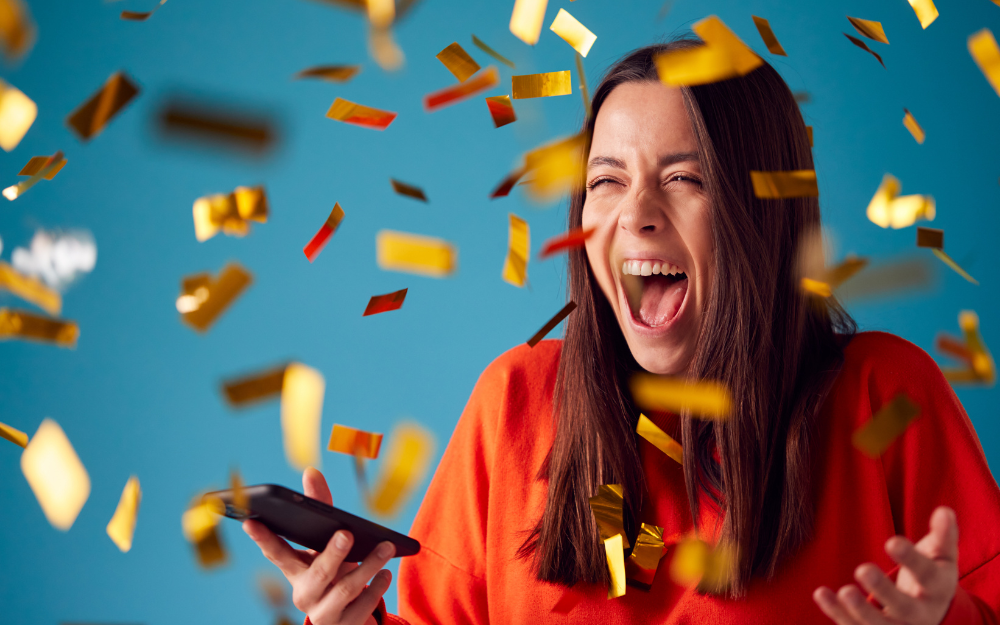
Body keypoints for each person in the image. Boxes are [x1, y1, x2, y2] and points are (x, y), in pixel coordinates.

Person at [243, 41, 1000, 625]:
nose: (633, 214)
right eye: (606, 180)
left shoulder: (883, 397)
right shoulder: (516, 399)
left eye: (683, 177)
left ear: (760, 212)